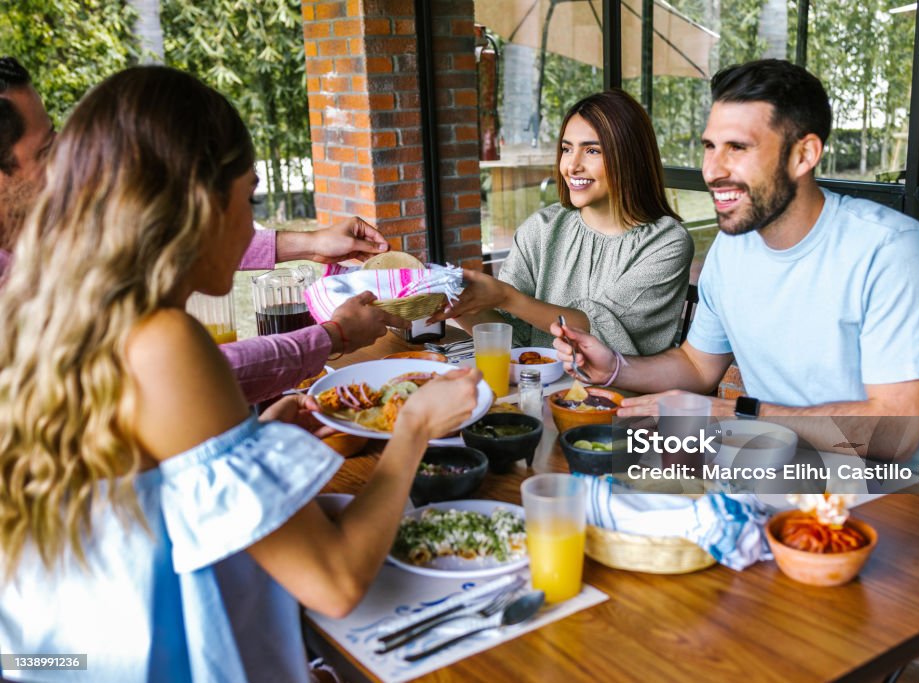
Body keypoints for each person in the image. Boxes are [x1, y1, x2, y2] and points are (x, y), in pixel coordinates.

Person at [0, 65, 482, 682]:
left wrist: (253, 449)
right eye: (250, 196)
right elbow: (333, 581)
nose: (252, 224)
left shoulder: (57, 318)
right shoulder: (161, 342)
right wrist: (414, 426)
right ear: (199, 202)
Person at [552, 60, 919, 463]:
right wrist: (614, 368)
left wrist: (740, 416)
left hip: (907, 501)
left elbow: (893, 435)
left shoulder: (895, 254)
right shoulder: (734, 248)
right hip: (783, 476)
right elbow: (697, 366)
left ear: (804, 155)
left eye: (738, 148)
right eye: (710, 147)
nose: (712, 171)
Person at [0, 56, 405, 404]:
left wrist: (312, 244)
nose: (64, 168)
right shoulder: (166, 339)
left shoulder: (48, 244)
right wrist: (333, 337)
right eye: (46, 151)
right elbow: (190, 379)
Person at [429, 89, 693, 356]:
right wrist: (450, 302)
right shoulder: (542, 229)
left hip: (625, 393)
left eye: (592, 150)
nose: (572, 165)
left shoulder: (666, 242)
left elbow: (603, 336)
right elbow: (513, 335)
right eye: (567, 149)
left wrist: (506, 297)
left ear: (629, 157)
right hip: (545, 387)